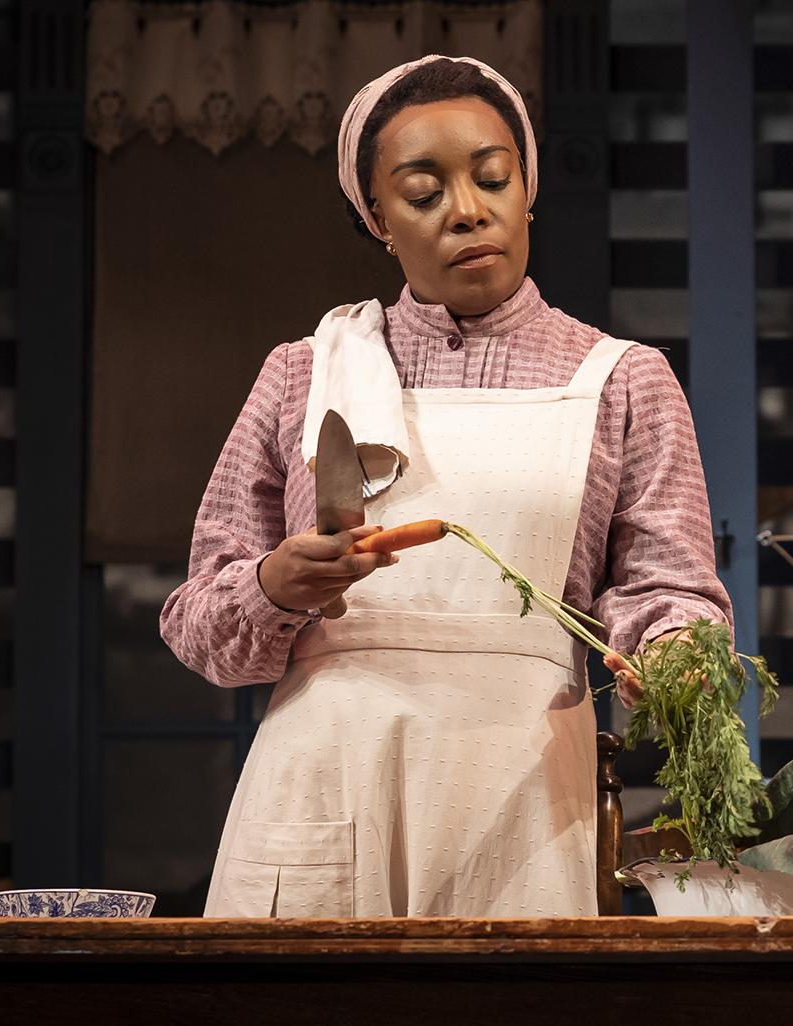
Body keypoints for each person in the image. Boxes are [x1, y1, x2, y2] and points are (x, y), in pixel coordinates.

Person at [160, 55, 729, 917]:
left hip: (518, 791)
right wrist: (275, 586)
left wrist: (676, 656)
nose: (468, 210)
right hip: (324, 780)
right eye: (424, 194)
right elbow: (200, 629)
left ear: (527, 189)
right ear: (377, 219)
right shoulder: (304, 374)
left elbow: (668, 587)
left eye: (493, 178)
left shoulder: (621, 380)